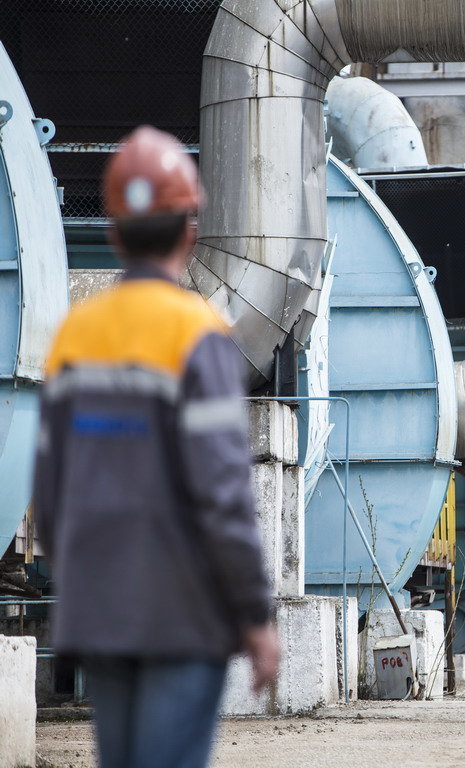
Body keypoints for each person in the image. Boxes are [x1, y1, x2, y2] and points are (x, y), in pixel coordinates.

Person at [32, 126, 279, 768]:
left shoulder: (74, 337)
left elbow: (50, 495)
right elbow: (223, 492)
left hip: (103, 611)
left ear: (113, 230)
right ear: (189, 228)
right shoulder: (200, 336)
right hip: (182, 614)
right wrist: (255, 615)